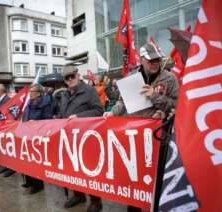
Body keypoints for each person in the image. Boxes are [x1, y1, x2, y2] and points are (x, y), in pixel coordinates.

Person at [104, 42, 179, 212]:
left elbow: (177, 105)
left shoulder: (170, 78)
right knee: (135, 179)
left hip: (158, 140)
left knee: (157, 180)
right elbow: (122, 101)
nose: (155, 64)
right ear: (142, 60)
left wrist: (155, 97)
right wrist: (112, 113)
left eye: (157, 60)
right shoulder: (132, 77)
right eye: (151, 60)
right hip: (135, 138)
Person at [55, 66, 104, 212]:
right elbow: (63, 114)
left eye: (72, 76)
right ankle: (78, 195)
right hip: (70, 139)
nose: (70, 80)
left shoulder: (89, 91)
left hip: (86, 138)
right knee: (73, 168)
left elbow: (99, 111)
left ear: (78, 75)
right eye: (66, 78)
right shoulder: (64, 94)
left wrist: (79, 117)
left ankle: (96, 201)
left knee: (89, 169)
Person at [21, 84, 53, 194]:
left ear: (38, 93)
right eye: (30, 91)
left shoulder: (45, 103)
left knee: (35, 162)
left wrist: (35, 124)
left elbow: (48, 120)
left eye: (32, 91)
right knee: (26, 160)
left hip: (37, 137)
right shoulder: (29, 103)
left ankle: (38, 185)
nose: (30, 93)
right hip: (27, 136)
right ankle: (29, 181)